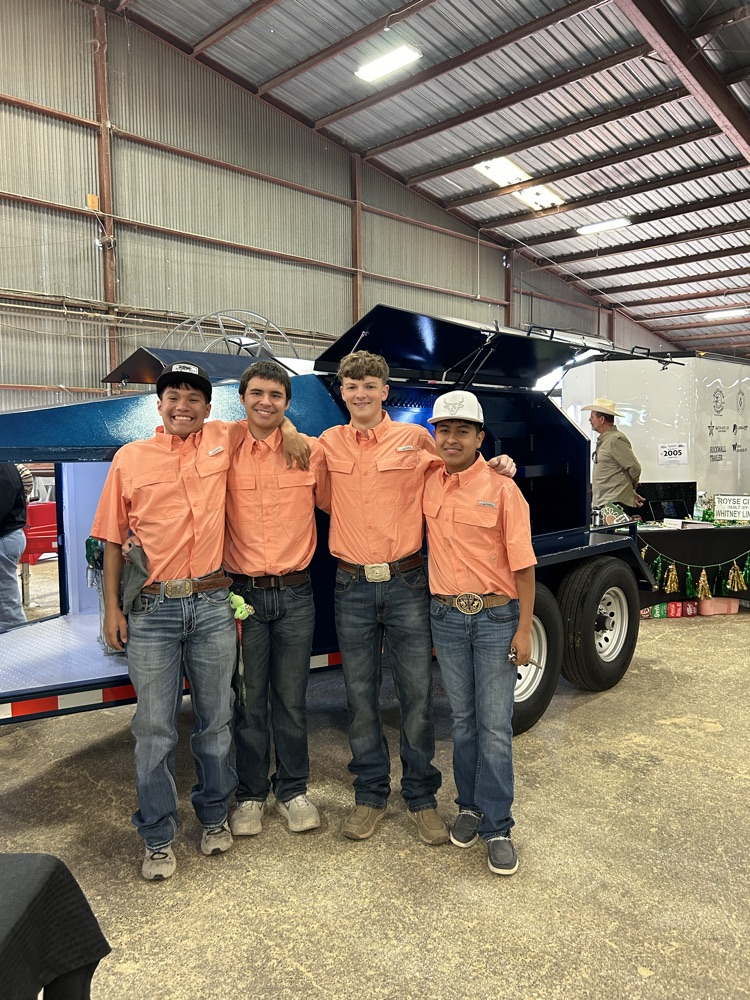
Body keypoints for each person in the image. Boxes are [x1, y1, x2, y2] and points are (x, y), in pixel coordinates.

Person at [91, 361, 308, 881]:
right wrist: (111, 611)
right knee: (154, 729)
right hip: (153, 610)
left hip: (212, 605)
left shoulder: (222, 439)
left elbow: (268, 418)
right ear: (159, 404)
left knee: (217, 722)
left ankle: (214, 817)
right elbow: (112, 541)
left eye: (194, 397)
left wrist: (294, 427)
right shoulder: (130, 458)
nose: (183, 405)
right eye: (173, 396)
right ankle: (159, 835)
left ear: (210, 408)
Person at [318, 351, 516, 846]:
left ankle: (422, 797)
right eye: (351, 385)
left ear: (385, 391)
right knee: (360, 696)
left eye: (370, 385)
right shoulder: (328, 445)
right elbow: (318, 495)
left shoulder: (416, 439)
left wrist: (497, 463)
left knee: (417, 696)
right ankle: (370, 795)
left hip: (408, 583)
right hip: (351, 584)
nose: (360, 393)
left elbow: (457, 468)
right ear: (341, 391)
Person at [424, 390, 536, 876]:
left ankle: (498, 825)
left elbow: (524, 567)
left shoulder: (503, 489)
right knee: (463, 722)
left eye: (462, 431)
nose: (451, 438)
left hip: (494, 620)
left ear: (479, 438)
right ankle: (468, 805)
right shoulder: (428, 480)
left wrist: (524, 630)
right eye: (444, 430)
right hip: (447, 618)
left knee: (494, 727)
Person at [223, 361, 329, 838]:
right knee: (248, 701)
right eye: (257, 393)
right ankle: (249, 794)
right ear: (242, 397)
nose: (266, 403)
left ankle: (292, 789)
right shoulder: (220, 445)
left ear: (288, 403)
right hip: (241, 596)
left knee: (291, 699)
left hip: (295, 594)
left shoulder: (309, 451)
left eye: (277, 396)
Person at [581, 397, 644, 517]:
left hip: (614, 504)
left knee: (611, 535)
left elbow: (635, 468)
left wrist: (630, 490)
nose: (589, 419)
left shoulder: (615, 440)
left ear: (602, 419)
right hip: (605, 503)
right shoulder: (607, 439)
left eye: (592, 416)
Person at [0, 463, 27, 633]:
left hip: (4, 538)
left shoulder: (3, 466)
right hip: (7, 535)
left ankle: (18, 650)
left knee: (7, 610)